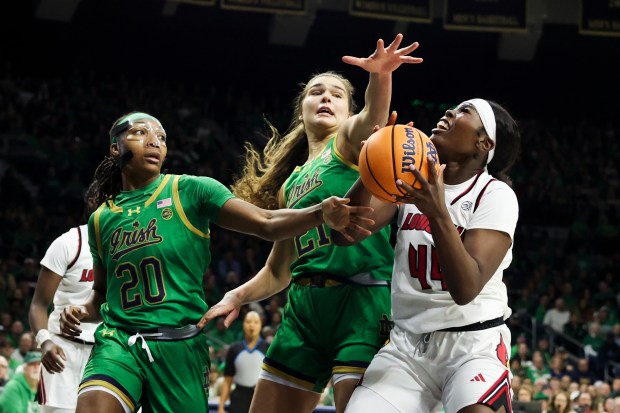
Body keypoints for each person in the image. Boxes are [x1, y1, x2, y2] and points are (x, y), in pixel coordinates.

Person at [58, 111, 372, 413]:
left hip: (179, 346)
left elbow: (265, 221)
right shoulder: (101, 219)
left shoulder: (191, 190)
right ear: (116, 147)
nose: (154, 141)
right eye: (140, 133)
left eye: (162, 137)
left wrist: (320, 213)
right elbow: (101, 295)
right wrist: (81, 310)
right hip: (118, 342)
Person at [200, 33, 422, 413]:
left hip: (361, 302)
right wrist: (236, 295)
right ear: (301, 109)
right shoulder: (290, 185)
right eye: (316, 92)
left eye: (337, 94)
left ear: (349, 112)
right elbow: (278, 269)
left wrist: (380, 76)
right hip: (302, 311)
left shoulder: (351, 142)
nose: (326, 98)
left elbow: (374, 116)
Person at [340, 98, 522, 413]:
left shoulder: (495, 195)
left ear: (484, 142)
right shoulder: (409, 182)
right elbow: (344, 234)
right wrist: (372, 163)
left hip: (472, 345)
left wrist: (437, 212)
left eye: (465, 111)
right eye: (453, 107)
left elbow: (465, 289)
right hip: (407, 346)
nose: (449, 111)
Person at [28, 185, 98, 413]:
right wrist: (45, 341)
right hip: (64, 354)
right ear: (93, 200)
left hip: (108, 351)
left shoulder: (129, 244)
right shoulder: (69, 243)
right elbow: (38, 305)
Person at [218, 311, 269, 413]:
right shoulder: (234, 349)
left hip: (261, 397)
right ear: (243, 325)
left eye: (256, 322)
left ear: (261, 325)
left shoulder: (268, 348)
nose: (252, 325)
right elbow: (228, 380)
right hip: (238, 397)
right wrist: (221, 407)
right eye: (248, 322)